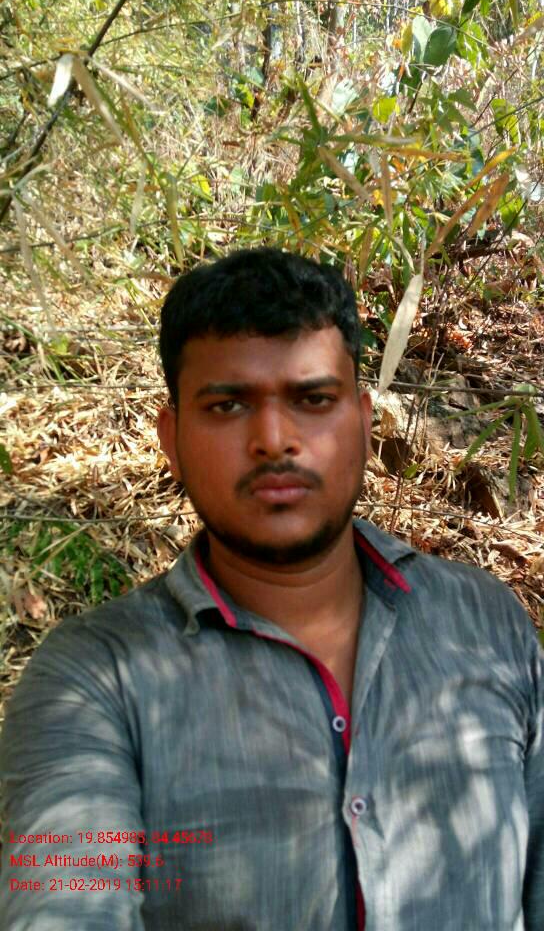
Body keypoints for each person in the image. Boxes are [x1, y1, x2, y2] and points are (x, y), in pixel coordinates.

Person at [0, 246, 542, 931]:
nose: (274, 439)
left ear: (364, 422)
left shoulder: (487, 625)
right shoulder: (91, 681)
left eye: (313, 399)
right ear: (172, 437)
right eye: (227, 405)